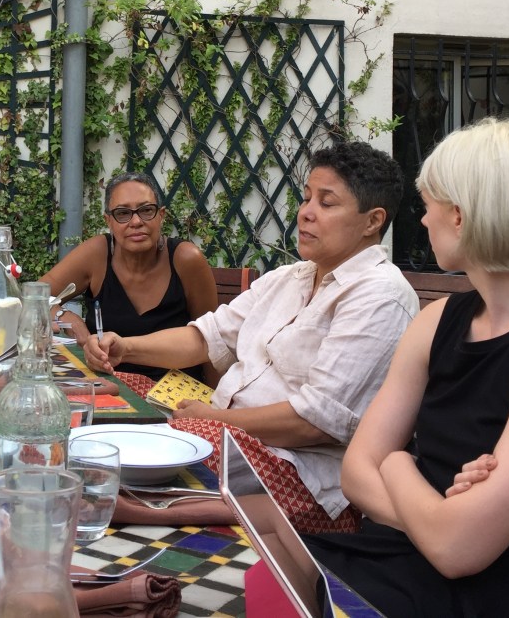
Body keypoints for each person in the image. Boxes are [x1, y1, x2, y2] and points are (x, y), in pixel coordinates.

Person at [304, 119, 509, 617]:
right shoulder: (438, 321)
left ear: (460, 216)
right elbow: (356, 474)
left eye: (428, 206)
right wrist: (438, 516)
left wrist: (397, 464)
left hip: (461, 601)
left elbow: (457, 552)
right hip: (378, 561)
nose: (422, 221)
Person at [84, 140, 419, 533]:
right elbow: (206, 339)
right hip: (225, 427)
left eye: (326, 203)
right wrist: (126, 347)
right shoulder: (290, 277)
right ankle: (118, 497)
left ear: (372, 221)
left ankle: (127, 509)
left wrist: (215, 418)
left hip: (295, 469)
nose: (305, 212)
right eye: (306, 198)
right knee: (109, 391)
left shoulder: (379, 296)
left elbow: (314, 422)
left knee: (144, 441)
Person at [40, 171, 218, 382]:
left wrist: (218, 399)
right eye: (123, 213)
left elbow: (213, 341)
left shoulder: (186, 259)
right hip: (109, 387)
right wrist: (65, 316)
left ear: (161, 215)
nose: (136, 221)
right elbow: (32, 297)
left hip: (178, 393)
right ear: (108, 220)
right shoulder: (97, 254)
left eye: (146, 210)